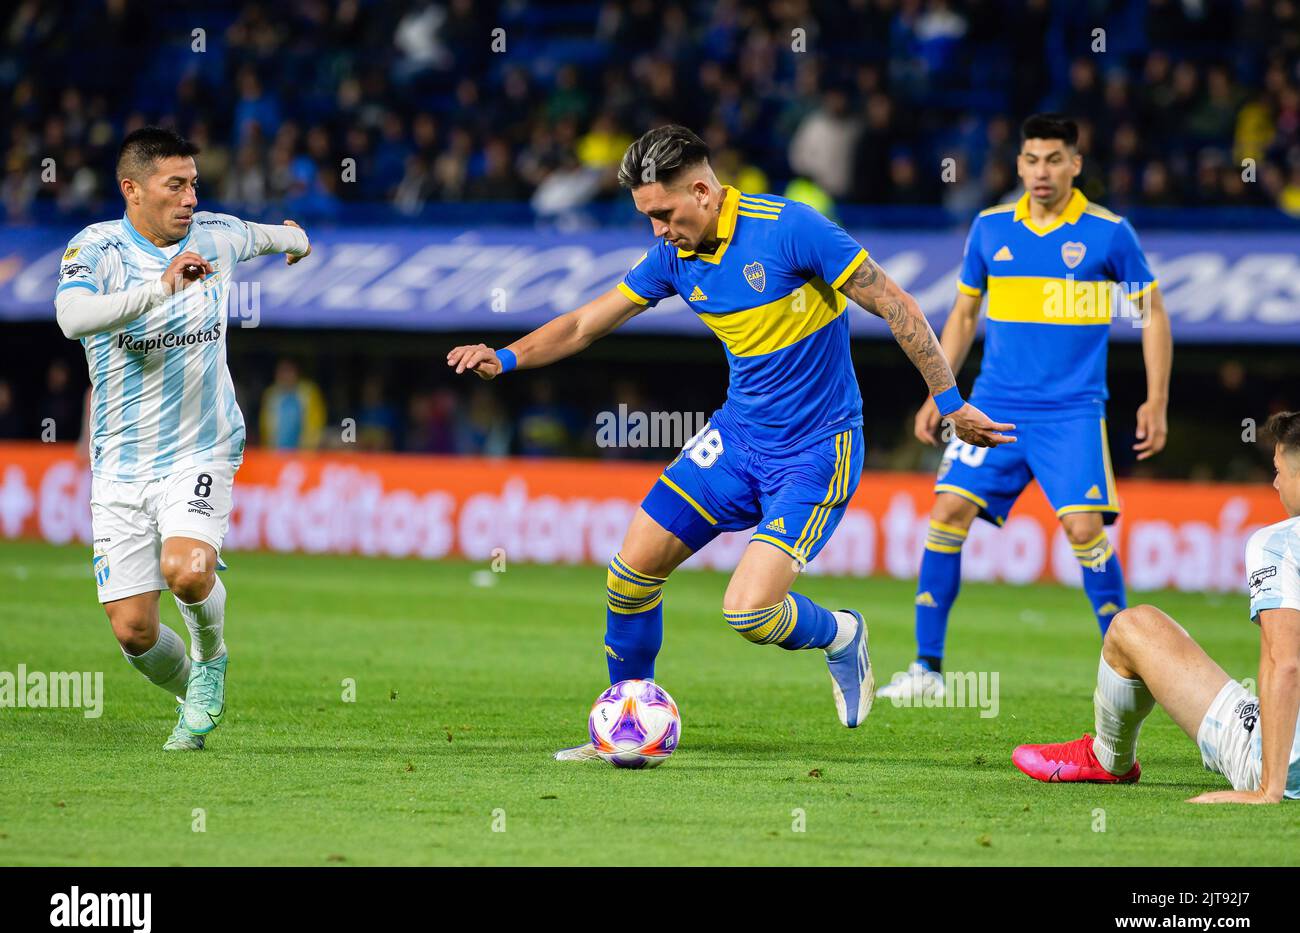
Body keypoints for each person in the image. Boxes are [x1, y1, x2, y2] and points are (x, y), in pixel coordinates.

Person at [447, 125, 1013, 758]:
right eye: (647, 218)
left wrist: (949, 400)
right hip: (736, 441)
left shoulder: (791, 229)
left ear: (702, 190)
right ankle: (626, 727)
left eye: (663, 214)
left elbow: (897, 304)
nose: (657, 231)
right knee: (629, 575)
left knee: (749, 614)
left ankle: (841, 633)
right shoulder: (673, 257)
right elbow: (584, 324)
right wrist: (506, 357)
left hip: (816, 451)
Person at [880, 114, 1173, 702]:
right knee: (946, 516)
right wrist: (942, 395)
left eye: (1055, 159)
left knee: (1084, 529)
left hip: (1072, 412)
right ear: (1018, 165)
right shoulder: (989, 229)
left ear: (1076, 164)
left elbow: (1153, 315)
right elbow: (963, 316)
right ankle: (927, 670)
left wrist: (1156, 400)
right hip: (993, 407)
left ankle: (1129, 672)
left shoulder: (1109, 233)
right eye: (1032, 159)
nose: (1043, 171)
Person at [54, 127, 311, 751]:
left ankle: (212, 659)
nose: (191, 196)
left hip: (203, 446)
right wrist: (159, 289)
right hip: (120, 465)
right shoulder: (97, 250)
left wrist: (295, 240)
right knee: (134, 632)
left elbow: (268, 234)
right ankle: (192, 683)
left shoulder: (216, 236)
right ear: (132, 189)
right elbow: (72, 318)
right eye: (176, 185)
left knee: (188, 571)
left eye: (194, 182)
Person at [1013, 411, 1300, 803]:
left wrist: (1270, 790)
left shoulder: (1279, 542)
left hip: (1284, 763)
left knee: (1132, 627)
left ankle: (1107, 757)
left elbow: (1286, 663)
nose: (1275, 482)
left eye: (1279, 470)